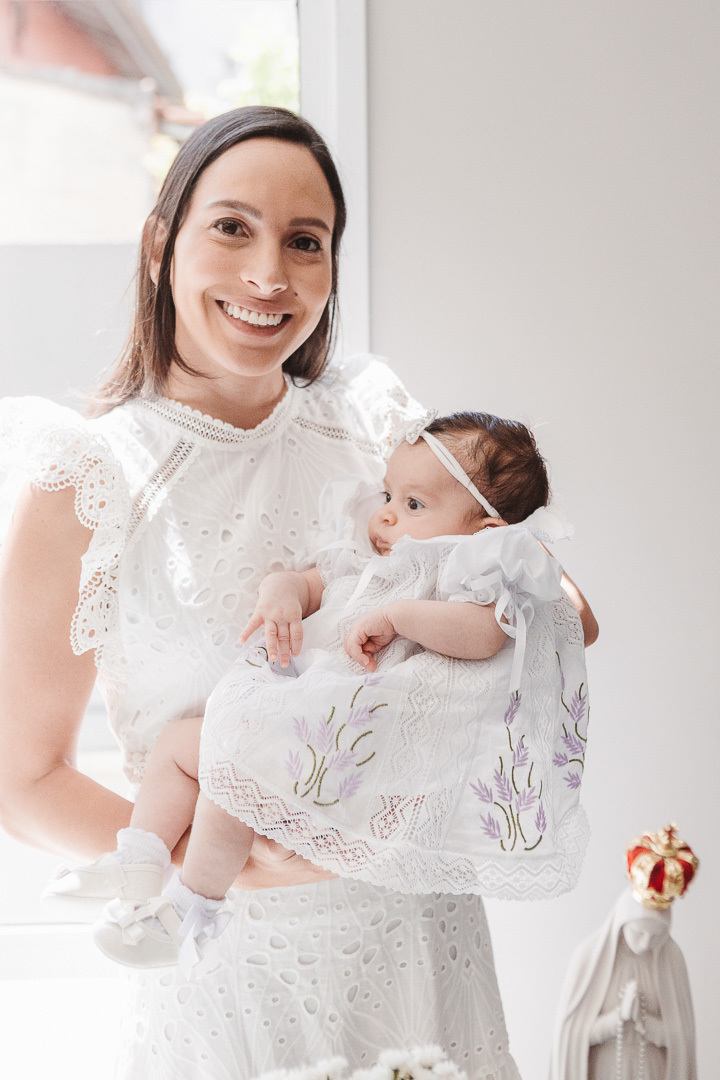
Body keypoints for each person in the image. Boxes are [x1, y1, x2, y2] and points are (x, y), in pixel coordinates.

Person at [0, 106, 595, 1079]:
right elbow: (21, 783)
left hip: (417, 943)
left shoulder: (377, 427)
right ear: (159, 246)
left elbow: (540, 603)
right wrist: (232, 860)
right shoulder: (89, 477)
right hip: (232, 968)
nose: (268, 275)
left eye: (304, 241)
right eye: (232, 227)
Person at [46, 410, 590, 971]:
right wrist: (282, 594)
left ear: (488, 533)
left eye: (413, 504)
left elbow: (485, 634)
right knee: (189, 752)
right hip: (310, 721)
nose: (386, 513)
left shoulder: (469, 573)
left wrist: (400, 616)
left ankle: (186, 905)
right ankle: (144, 865)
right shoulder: (367, 557)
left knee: (227, 774)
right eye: (388, 494)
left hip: (357, 746)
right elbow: (309, 581)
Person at [549, 826, 698, 1080]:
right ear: (622, 921)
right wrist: (618, 1017)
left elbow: (682, 1040)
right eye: (639, 933)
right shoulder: (589, 957)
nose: (645, 944)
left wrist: (646, 1024)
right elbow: (570, 1036)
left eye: (656, 936)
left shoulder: (671, 959)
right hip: (605, 1070)